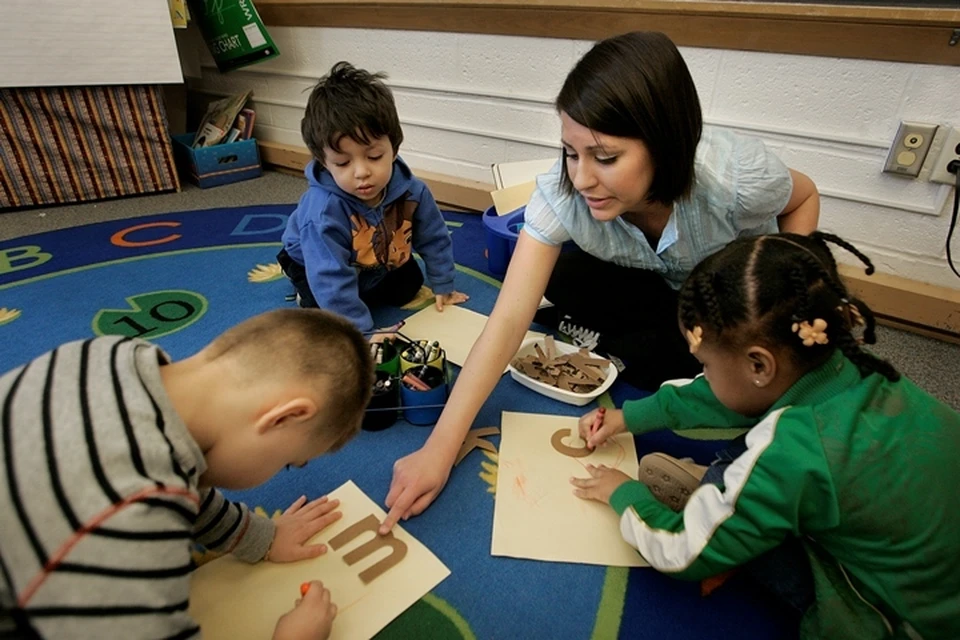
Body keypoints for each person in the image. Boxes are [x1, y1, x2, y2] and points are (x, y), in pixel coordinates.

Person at [380, 30, 820, 533]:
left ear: (665, 144)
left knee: (723, 372)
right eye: (571, 152)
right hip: (652, 277)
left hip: (721, 294)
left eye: (605, 157)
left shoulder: (735, 177)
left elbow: (803, 199)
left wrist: (778, 300)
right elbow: (506, 322)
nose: (583, 177)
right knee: (564, 278)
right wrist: (439, 447)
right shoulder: (564, 191)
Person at [570, 232, 960, 639]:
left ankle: (729, 505)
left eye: (705, 363)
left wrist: (622, 493)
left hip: (902, 621)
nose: (702, 371)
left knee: (753, 483)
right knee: (760, 454)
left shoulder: (795, 450)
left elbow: (683, 554)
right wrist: (628, 418)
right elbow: (724, 396)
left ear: (759, 365)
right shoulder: (848, 363)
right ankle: (732, 499)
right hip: (926, 559)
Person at [0, 308, 374, 639]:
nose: (283, 472)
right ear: (283, 417)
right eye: (289, 462)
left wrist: (259, 536)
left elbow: (181, 467)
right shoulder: (130, 518)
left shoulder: (116, 356)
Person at [278, 62, 468, 336]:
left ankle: (361, 283)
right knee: (323, 315)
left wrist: (443, 284)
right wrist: (363, 333)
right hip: (312, 261)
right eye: (342, 163)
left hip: (374, 256)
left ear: (394, 147)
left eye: (374, 157)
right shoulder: (322, 214)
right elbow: (329, 278)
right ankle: (299, 282)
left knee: (409, 284)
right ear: (323, 161)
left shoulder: (414, 192)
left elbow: (434, 237)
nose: (362, 172)